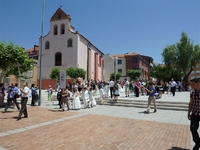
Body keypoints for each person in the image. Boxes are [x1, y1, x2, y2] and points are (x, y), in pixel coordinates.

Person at [188, 77, 200, 150]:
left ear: (198, 83)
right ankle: (198, 142)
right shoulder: (192, 92)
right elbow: (191, 103)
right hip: (195, 113)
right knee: (193, 128)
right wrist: (188, 113)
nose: (192, 86)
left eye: (193, 84)